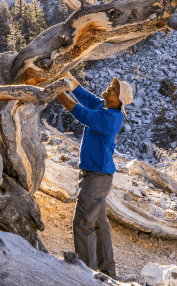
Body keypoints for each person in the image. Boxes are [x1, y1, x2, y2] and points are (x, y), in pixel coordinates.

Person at [56, 75, 134, 278]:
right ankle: (108, 273)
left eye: (114, 89)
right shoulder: (103, 106)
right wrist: (71, 82)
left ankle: (85, 276)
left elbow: (81, 114)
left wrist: (56, 91)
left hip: (97, 177)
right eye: (112, 85)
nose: (110, 87)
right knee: (99, 226)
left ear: (119, 100)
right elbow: (84, 97)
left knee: (82, 223)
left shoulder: (110, 118)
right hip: (98, 176)